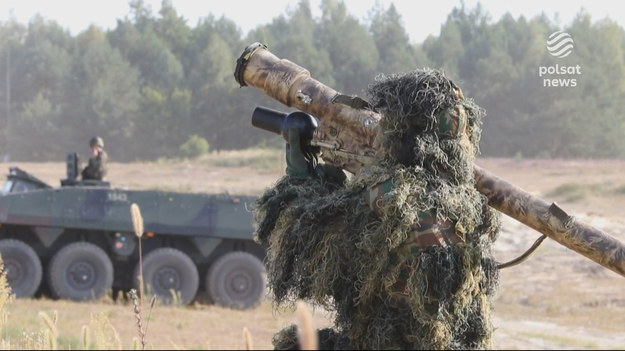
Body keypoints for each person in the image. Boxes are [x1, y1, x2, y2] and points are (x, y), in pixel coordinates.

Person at [253, 69, 502, 350]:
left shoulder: (394, 196)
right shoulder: (472, 205)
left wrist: (299, 175)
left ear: (402, 133)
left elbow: (302, 249)